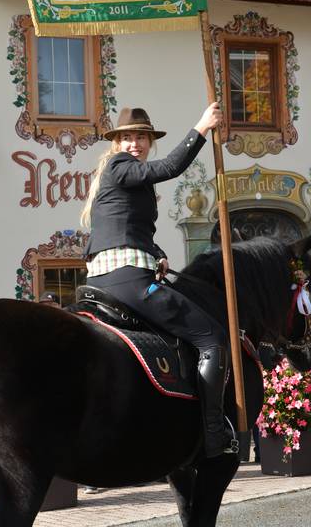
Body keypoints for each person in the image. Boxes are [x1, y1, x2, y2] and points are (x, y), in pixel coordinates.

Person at [81, 103, 234, 458]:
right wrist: (202, 127)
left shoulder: (118, 175)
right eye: (128, 138)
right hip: (127, 279)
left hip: (104, 277)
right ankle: (213, 433)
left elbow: (128, 226)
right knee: (212, 337)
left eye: (141, 137)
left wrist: (157, 254)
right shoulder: (121, 165)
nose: (135, 143)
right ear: (117, 143)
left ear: (149, 141)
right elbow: (171, 167)